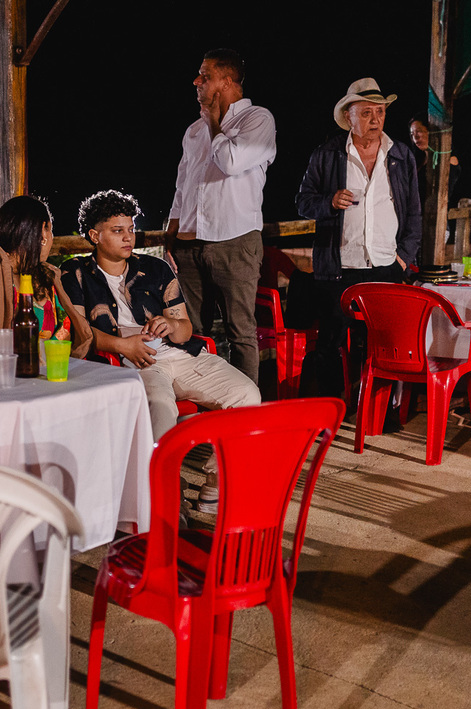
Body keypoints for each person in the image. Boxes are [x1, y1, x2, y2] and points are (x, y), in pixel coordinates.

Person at [60, 190, 260, 512]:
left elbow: (185, 327)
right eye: (118, 230)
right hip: (134, 361)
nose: (129, 237)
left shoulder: (155, 269)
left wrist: (168, 323)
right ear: (94, 236)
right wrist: (121, 344)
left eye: (131, 228)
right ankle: (167, 497)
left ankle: (214, 485)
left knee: (247, 397)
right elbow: (79, 333)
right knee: (160, 410)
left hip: (181, 354)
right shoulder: (76, 274)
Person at [295, 77, 421, 400]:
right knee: (330, 343)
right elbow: (303, 202)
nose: (375, 119)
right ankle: (331, 410)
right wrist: (328, 202)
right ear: (349, 116)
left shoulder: (401, 155)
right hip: (340, 268)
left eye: (380, 112)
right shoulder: (328, 154)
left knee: (385, 344)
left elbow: (415, 214)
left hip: (386, 266)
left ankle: (380, 413)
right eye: (366, 113)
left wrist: (403, 258)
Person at [166, 48, 276, 385]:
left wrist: (214, 121)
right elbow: (183, 187)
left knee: (239, 330)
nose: (196, 81)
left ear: (227, 82)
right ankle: (202, 407)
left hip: (234, 240)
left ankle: (242, 415)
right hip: (188, 245)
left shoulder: (257, 119)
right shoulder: (194, 131)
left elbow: (229, 162)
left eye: (206, 75)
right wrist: (169, 236)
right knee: (190, 330)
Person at [0, 195, 91, 357]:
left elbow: (66, 328)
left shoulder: (47, 276)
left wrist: (45, 352)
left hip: (50, 368)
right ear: (43, 232)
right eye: (51, 229)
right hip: (0, 372)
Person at [408, 116, 460, 200]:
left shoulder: (449, 160)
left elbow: (443, 196)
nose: (415, 137)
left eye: (419, 131)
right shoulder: (416, 162)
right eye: (412, 134)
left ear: (432, 131)